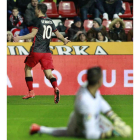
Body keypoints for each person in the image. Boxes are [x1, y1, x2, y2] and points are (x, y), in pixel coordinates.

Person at [29, 66, 132, 139]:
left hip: (79, 117)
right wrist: (112, 133)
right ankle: (40, 129)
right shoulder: (87, 105)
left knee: (68, 132)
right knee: (72, 133)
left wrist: (114, 117)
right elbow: (90, 135)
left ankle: (38, 128)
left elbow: (99, 100)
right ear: (99, 81)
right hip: (80, 125)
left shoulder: (88, 86)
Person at [13, 3, 70, 103]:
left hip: (36, 50)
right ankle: (56, 87)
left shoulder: (37, 20)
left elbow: (33, 34)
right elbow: (57, 34)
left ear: (39, 10)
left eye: (36, 9)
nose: (35, 11)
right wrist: (64, 40)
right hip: (47, 52)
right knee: (49, 74)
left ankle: (31, 92)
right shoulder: (50, 21)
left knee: (27, 68)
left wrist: (19, 38)